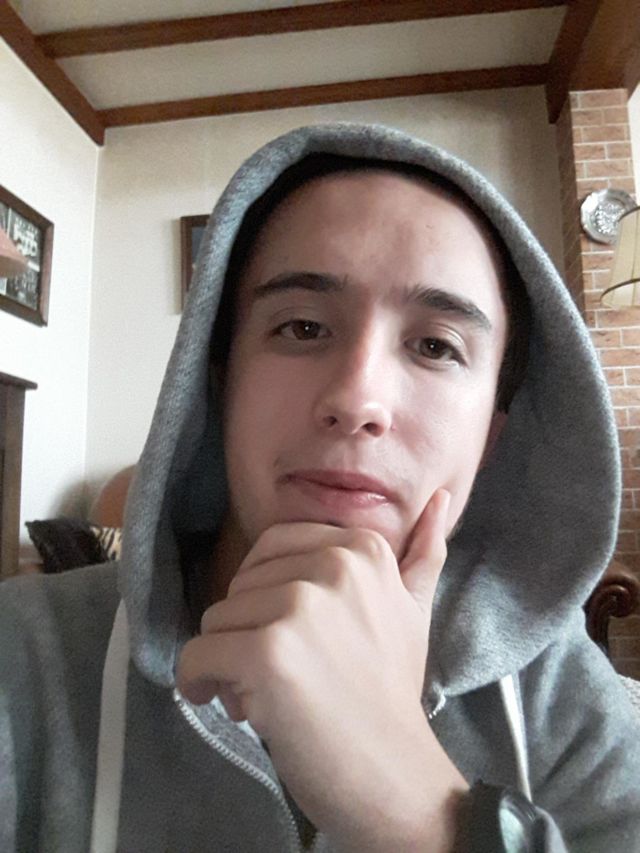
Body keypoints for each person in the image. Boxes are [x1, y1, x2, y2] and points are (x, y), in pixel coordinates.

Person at [1, 123, 639, 852]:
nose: (357, 399)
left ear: (492, 436)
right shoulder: (24, 656)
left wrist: (423, 814)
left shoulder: (558, 691)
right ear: (219, 384)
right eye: (302, 328)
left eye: (435, 346)